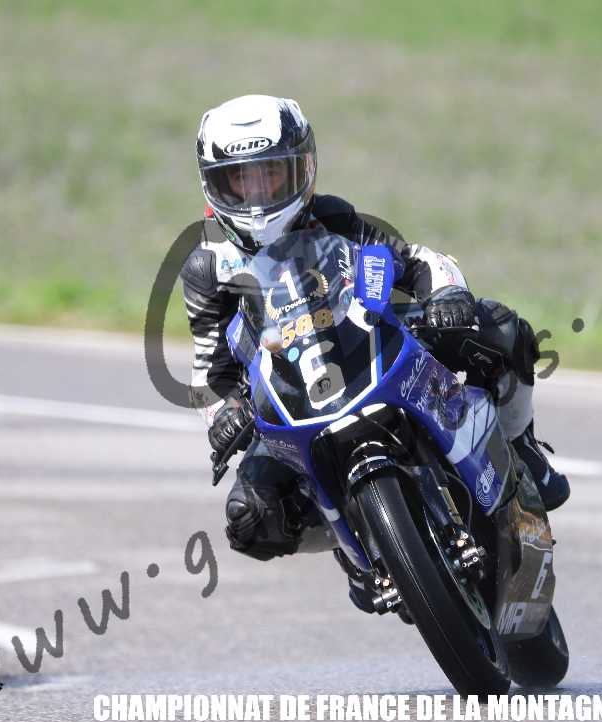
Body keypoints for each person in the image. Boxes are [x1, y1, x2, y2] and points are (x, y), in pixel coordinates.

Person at [181, 95, 568, 610]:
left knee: (499, 329)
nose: (258, 195)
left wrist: (447, 296)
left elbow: (416, 261)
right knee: (249, 517)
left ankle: (522, 446)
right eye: (242, 180)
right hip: (289, 395)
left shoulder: (335, 217)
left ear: (303, 168)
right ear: (215, 186)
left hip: (373, 350)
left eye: (271, 175)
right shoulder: (207, 269)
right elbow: (209, 367)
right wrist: (224, 413)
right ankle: (355, 546)